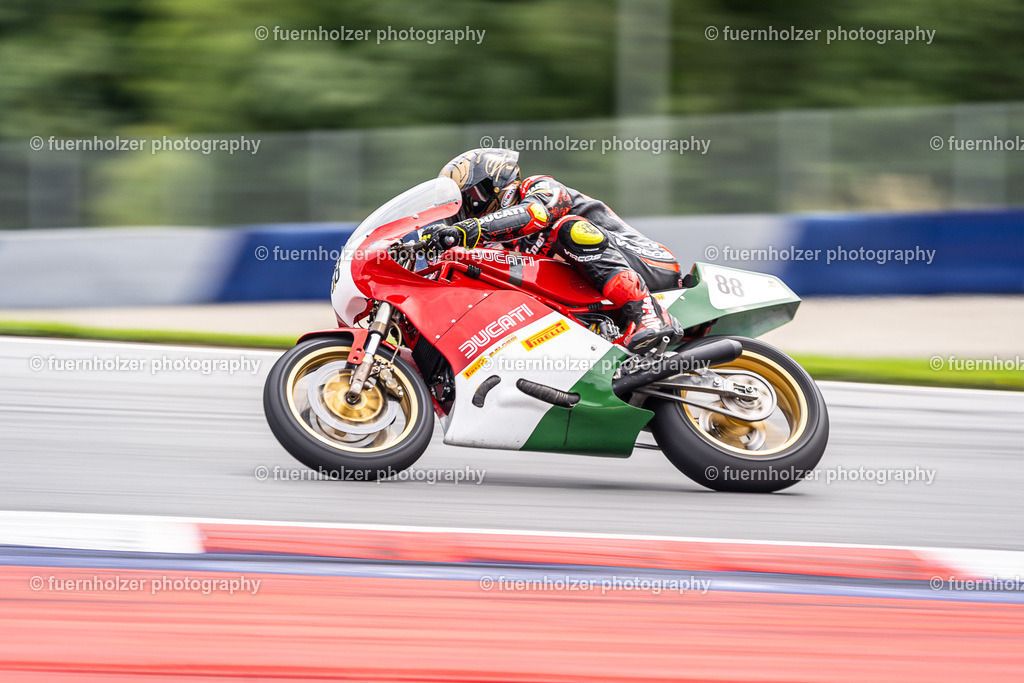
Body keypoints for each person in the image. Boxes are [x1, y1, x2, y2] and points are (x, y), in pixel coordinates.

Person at [425, 147, 683, 354]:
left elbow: (534, 214)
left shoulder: (539, 186)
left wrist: (469, 229)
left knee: (570, 229)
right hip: (596, 288)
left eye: (470, 198)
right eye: (458, 206)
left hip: (650, 262)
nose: (463, 211)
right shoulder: (497, 244)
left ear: (493, 183)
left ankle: (650, 315)